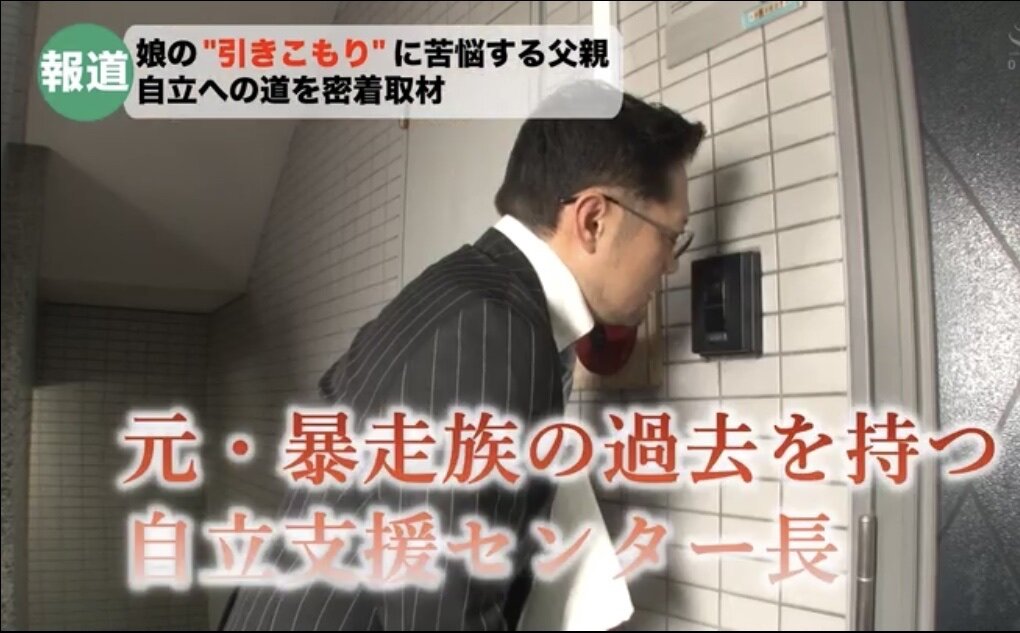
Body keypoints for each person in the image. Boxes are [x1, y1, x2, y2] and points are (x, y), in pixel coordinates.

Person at [218, 80, 704, 631]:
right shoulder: (495, 331)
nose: (670, 265)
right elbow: (441, 614)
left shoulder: (467, 291)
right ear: (593, 220)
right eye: (671, 237)